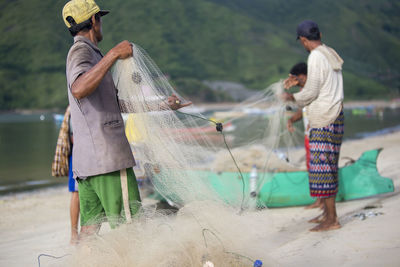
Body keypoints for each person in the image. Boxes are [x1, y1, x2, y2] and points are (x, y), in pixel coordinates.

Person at [62, 0, 190, 237]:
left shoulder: (87, 53)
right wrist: (112, 54)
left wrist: (163, 104)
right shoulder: (82, 51)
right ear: (93, 20)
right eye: (100, 19)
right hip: (108, 161)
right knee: (132, 228)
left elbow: (115, 104)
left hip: (88, 164)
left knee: (89, 231)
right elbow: (79, 88)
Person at [282, 20, 344, 231]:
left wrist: (291, 98)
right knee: (329, 166)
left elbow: (312, 92)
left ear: (304, 40)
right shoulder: (329, 52)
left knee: (322, 169)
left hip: (323, 118)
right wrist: (299, 86)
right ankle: (327, 214)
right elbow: (321, 84)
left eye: (301, 41)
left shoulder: (316, 56)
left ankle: (332, 219)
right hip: (336, 115)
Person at [284, 62, 323, 210]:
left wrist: (289, 95)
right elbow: (302, 111)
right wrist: (291, 119)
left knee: (319, 166)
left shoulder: (313, 90)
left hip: (316, 132)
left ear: (304, 76)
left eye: (297, 78)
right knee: (311, 166)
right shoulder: (302, 91)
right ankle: (318, 199)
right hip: (308, 135)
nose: (296, 81)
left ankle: (322, 200)